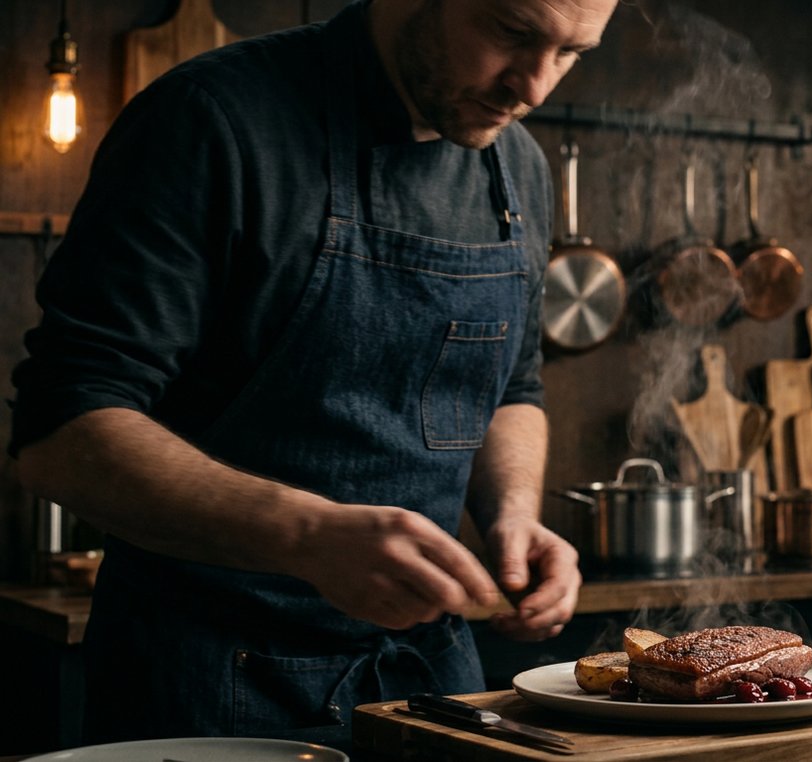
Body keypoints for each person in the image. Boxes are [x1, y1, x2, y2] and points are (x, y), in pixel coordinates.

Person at [9, 0, 616, 742]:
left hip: (430, 685)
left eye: (571, 52)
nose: (536, 86)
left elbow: (511, 387)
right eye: (513, 32)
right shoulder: (212, 119)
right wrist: (307, 536)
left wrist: (511, 518)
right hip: (211, 687)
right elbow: (60, 430)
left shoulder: (516, 165)